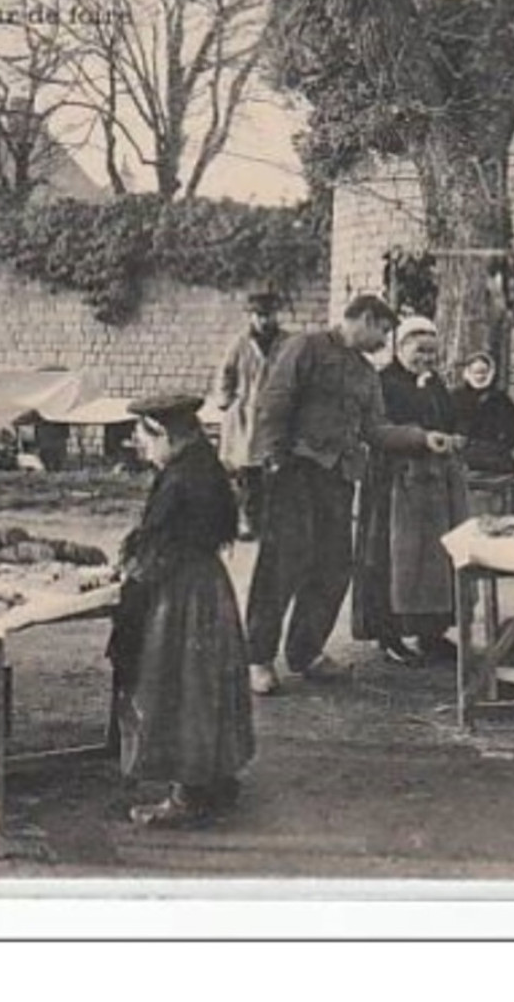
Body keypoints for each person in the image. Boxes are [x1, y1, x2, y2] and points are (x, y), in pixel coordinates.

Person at [244, 294, 454, 695]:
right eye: (383, 331)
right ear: (365, 319)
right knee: (281, 565)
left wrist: (423, 437)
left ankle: (306, 653)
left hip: (338, 480)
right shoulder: (306, 347)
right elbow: (273, 404)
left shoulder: (365, 374)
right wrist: (272, 460)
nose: (385, 341)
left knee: (334, 566)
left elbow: (375, 430)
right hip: (294, 471)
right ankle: (258, 658)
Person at [106, 393, 255, 828]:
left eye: (144, 437)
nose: (141, 447)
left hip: (183, 592)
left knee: (179, 686)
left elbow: (160, 546)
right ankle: (216, 777)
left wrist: (130, 572)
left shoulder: (180, 480)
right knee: (208, 684)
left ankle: (186, 794)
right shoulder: (202, 465)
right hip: (208, 585)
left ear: (165, 434)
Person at [352, 317, 471, 665]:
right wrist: (419, 437)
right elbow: (377, 428)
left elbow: (448, 418)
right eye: (420, 351)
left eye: (432, 352)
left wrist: (454, 436)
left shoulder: (434, 383)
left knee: (433, 558)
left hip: (432, 483)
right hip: (394, 480)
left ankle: (430, 632)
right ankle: (389, 634)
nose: (426, 359)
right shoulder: (383, 382)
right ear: (401, 347)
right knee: (393, 557)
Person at [211, 292, 290, 540]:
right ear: (252, 317)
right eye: (259, 316)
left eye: (269, 315)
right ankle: (248, 520)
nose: (265, 321)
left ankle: (273, 522)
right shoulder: (240, 343)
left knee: (277, 471)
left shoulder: (288, 343)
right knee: (248, 474)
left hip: (278, 413)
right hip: (247, 415)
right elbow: (225, 374)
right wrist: (226, 401)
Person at [451, 350, 514, 513]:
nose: (480, 376)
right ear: (467, 373)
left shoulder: (500, 399)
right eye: (476, 372)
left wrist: (502, 447)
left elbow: (512, 428)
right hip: (465, 452)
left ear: (490, 373)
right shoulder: (456, 397)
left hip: (494, 454)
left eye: (483, 372)